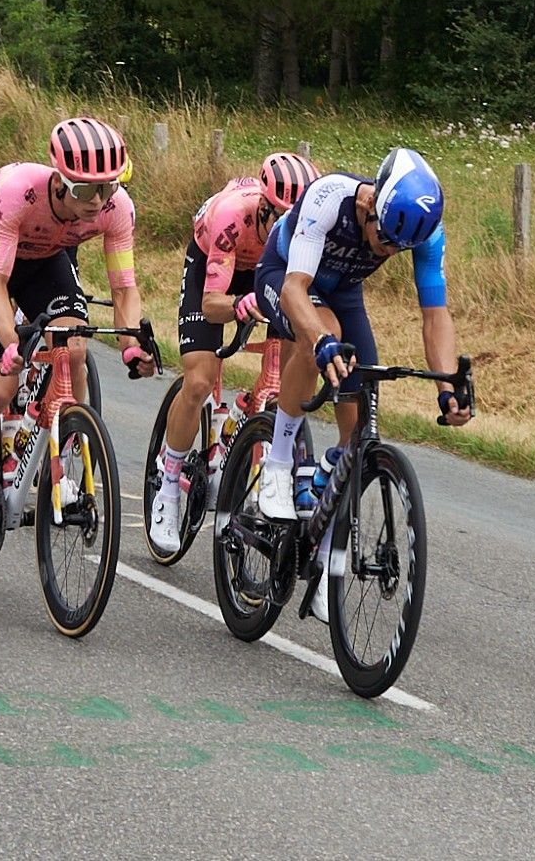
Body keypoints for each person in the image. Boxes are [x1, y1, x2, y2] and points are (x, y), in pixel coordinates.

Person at [249, 148, 472, 621]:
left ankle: (327, 553)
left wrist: (447, 385)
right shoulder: (330, 198)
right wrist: (322, 341)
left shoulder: (425, 233)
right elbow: (294, 290)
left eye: (399, 248)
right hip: (284, 273)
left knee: (361, 412)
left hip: (342, 290)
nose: (387, 251)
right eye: (384, 239)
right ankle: (279, 461)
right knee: (320, 337)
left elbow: (435, 314)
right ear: (372, 206)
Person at [0, 117, 155, 533]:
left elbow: (124, 287)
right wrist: (11, 344)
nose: (98, 201)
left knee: (73, 350)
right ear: (59, 181)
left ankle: (60, 458)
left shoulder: (116, 207)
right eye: (86, 190)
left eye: (108, 187)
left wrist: (130, 345)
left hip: (45, 262)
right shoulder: (17, 193)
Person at [148, 151, 318, 553]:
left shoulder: (308, 234)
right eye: (282, 220)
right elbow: (210, 304)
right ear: (263, 207)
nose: (291, 230)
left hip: (270, 271)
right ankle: (168, 483)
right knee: (200, 381)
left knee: (291, 369)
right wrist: (241, 303)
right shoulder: (232, 215)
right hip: (217, 265)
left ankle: (253, 433)